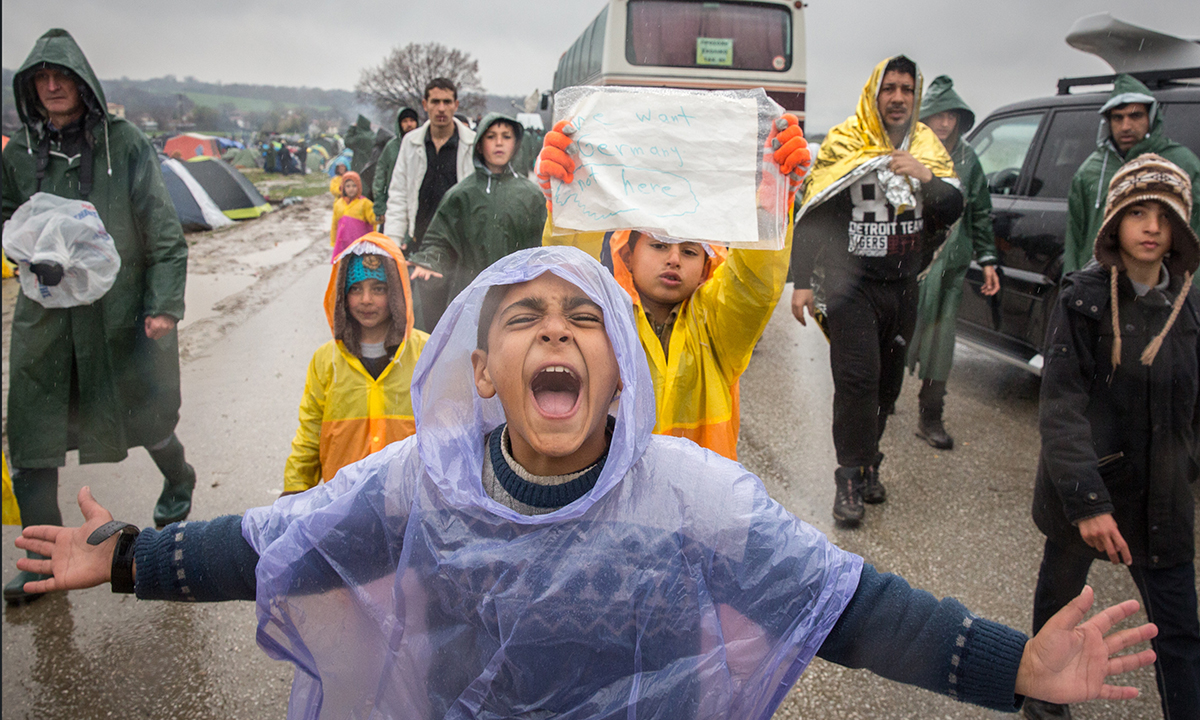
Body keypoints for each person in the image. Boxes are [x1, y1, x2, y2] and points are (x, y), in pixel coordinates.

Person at [14, 247, 1158, 719]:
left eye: (583, 321)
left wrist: (1016, 667)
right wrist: (125, 560)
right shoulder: (425, 483)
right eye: (525, 319)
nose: (555, 334)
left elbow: (854, 610)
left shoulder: (690, 494)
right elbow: (274, 542)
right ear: (483, 370)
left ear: (617, 373)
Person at [1, 29, 194, 603]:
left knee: (147, 417)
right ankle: (42, 565)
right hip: (45, 316)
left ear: (83, 82)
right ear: (31, 88)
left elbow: (163, 230)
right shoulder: (18, 153)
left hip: (118, 314)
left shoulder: (124, 144)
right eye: (42, 77)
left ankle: (178, 482)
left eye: (62, 76)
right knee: (31, 436)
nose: (53, 85)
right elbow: (9, 223)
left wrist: (163, 304)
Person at [1025, 155, 1200, 720]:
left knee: (1178, 633)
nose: (1152, 227)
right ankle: (1044, 704)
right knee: (1062, 609)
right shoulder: (1082, 299)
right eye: (1138, 213)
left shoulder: (1192, 305)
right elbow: (1061, 408)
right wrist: (1088, 504)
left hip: (1164, 496)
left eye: (1165, 215)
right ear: (1113, 224)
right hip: (1085, 493)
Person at [536, 114, 808, 460]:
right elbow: (564, 284)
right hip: (611, 501)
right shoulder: (601, 318)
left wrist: (769, 211)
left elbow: (751, 285)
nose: (674, 259)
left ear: (706, 265)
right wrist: (572, 208)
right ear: (628, 254)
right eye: (659, 245)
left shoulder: (717, 327)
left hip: (702, 503)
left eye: (690, 250)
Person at [790, 55, 963, 525]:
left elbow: (952, 208)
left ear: (916, 96)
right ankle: (848, 478)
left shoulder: (927, 147)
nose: (899, 97)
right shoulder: (846, 142)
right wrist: (802, 281)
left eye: (907, 89)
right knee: (857, 381)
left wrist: (925, 176)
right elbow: (815, 212)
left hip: (904, 286)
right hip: (852, 287)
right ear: (874, 93)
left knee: (888, 385)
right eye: (890, 88)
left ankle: (869, 462)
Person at [281, 233, 428, 495]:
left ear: (395, 292)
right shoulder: (325, 361)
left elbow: (449, 430)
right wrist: (294, 490)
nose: (366, 300)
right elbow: (310, 433)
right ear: (342, 296)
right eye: (356, 288)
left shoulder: (425, 353)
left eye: (378, 289)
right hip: (343, 503)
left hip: (409, 500)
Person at [905, 75, 1001, 449]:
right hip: (910, 263)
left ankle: (931, 416)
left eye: (952, 116)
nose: (945, 123)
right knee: (898, 334)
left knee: (941, 342)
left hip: (951, 266)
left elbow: (979, 210)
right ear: (924, 118)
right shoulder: (909, 151)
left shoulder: (968, 158)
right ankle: (884, 399)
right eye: (937, 116)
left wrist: (988, 258)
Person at [407, 112, 546, 331]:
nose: (499, 143)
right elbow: (440, 240)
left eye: (506, 136)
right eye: (491, 136)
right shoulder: (461, 194)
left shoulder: (532, 195)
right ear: (480, 145)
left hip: (519, 299)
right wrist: (430, 260)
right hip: (470, 297)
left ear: (516, 144)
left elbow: (544, 247)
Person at [1063, 74, 1200, 275]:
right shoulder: (1091, 170)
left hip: (1161, 284)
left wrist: (1189, 290)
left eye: (1135, 116)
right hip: (1101, 285)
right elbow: (1075, 237)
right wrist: (1072, 283)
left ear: (1151, 117)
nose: (1126, 126)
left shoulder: (1181, 164)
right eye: (1118, 118)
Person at [384, 78, 477, 331]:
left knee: (459, 319)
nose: (441, 108)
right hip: (421, 244)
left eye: (447, 102)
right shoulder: (411, 142)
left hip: (459, 248)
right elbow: (399, 194)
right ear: (425, 105)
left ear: (456, 104)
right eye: (435, 102)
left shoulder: (470, 143)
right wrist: (391, 245)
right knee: (422, 319)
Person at [371, 106, 420, 232]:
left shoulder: (423, 145)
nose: (409, 124)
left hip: (419, 203)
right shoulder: (391, 148)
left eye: (412, 120)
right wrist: (380, 207)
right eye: (405, 121)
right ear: (399, 124)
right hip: (394, 202)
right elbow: (380, 177)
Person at [329, 170, 376, 258]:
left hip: (360, 244)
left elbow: (372, 220)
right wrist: (333, 241)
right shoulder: (338, 204)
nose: (351, 189)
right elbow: (335, 224)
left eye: (354, 186)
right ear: (343, 188)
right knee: (343, 266)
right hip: (343, 244)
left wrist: (378, 216)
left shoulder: (365, 203)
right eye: (348, 186)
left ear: (359, 187)